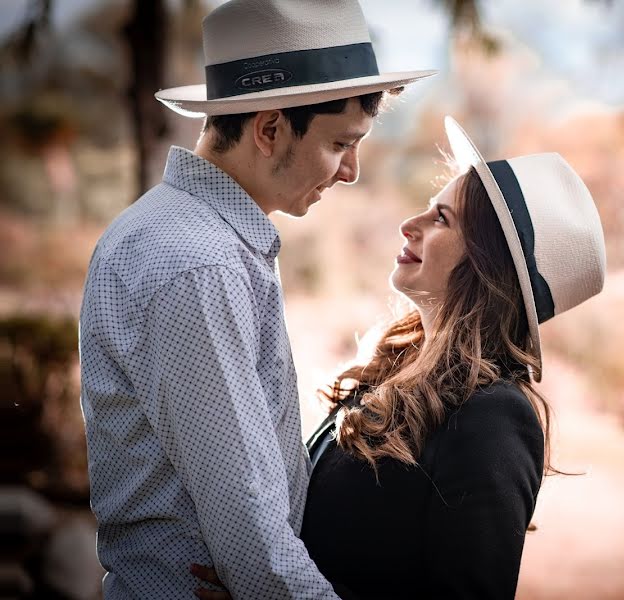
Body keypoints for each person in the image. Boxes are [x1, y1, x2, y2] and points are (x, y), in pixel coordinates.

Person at [78, 0, 434, 597]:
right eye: (341, 144)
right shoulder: (199, 261)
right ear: (269, 130)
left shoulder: (184, 235)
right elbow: (249, 535)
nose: (350, 171)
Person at [192, 117, 607, 599]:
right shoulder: (394, 372)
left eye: (442, 219)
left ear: (485, 263)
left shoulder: (494, 416)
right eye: (430, 210)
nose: (409, 225)